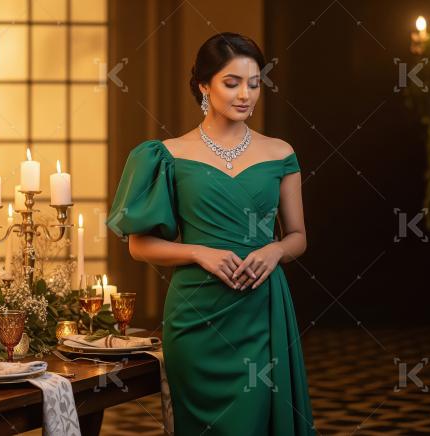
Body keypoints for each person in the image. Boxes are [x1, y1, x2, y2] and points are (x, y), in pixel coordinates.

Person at [106, 32, 315, 435]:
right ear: (204, 85)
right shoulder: (165, 155)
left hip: (261, 313)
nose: (245, 95)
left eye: (254, 84)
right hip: (195, 320)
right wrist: (199, 253)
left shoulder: (279, 153)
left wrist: (274, 251)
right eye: (231, 83)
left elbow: (298, 236)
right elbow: (138, 244)